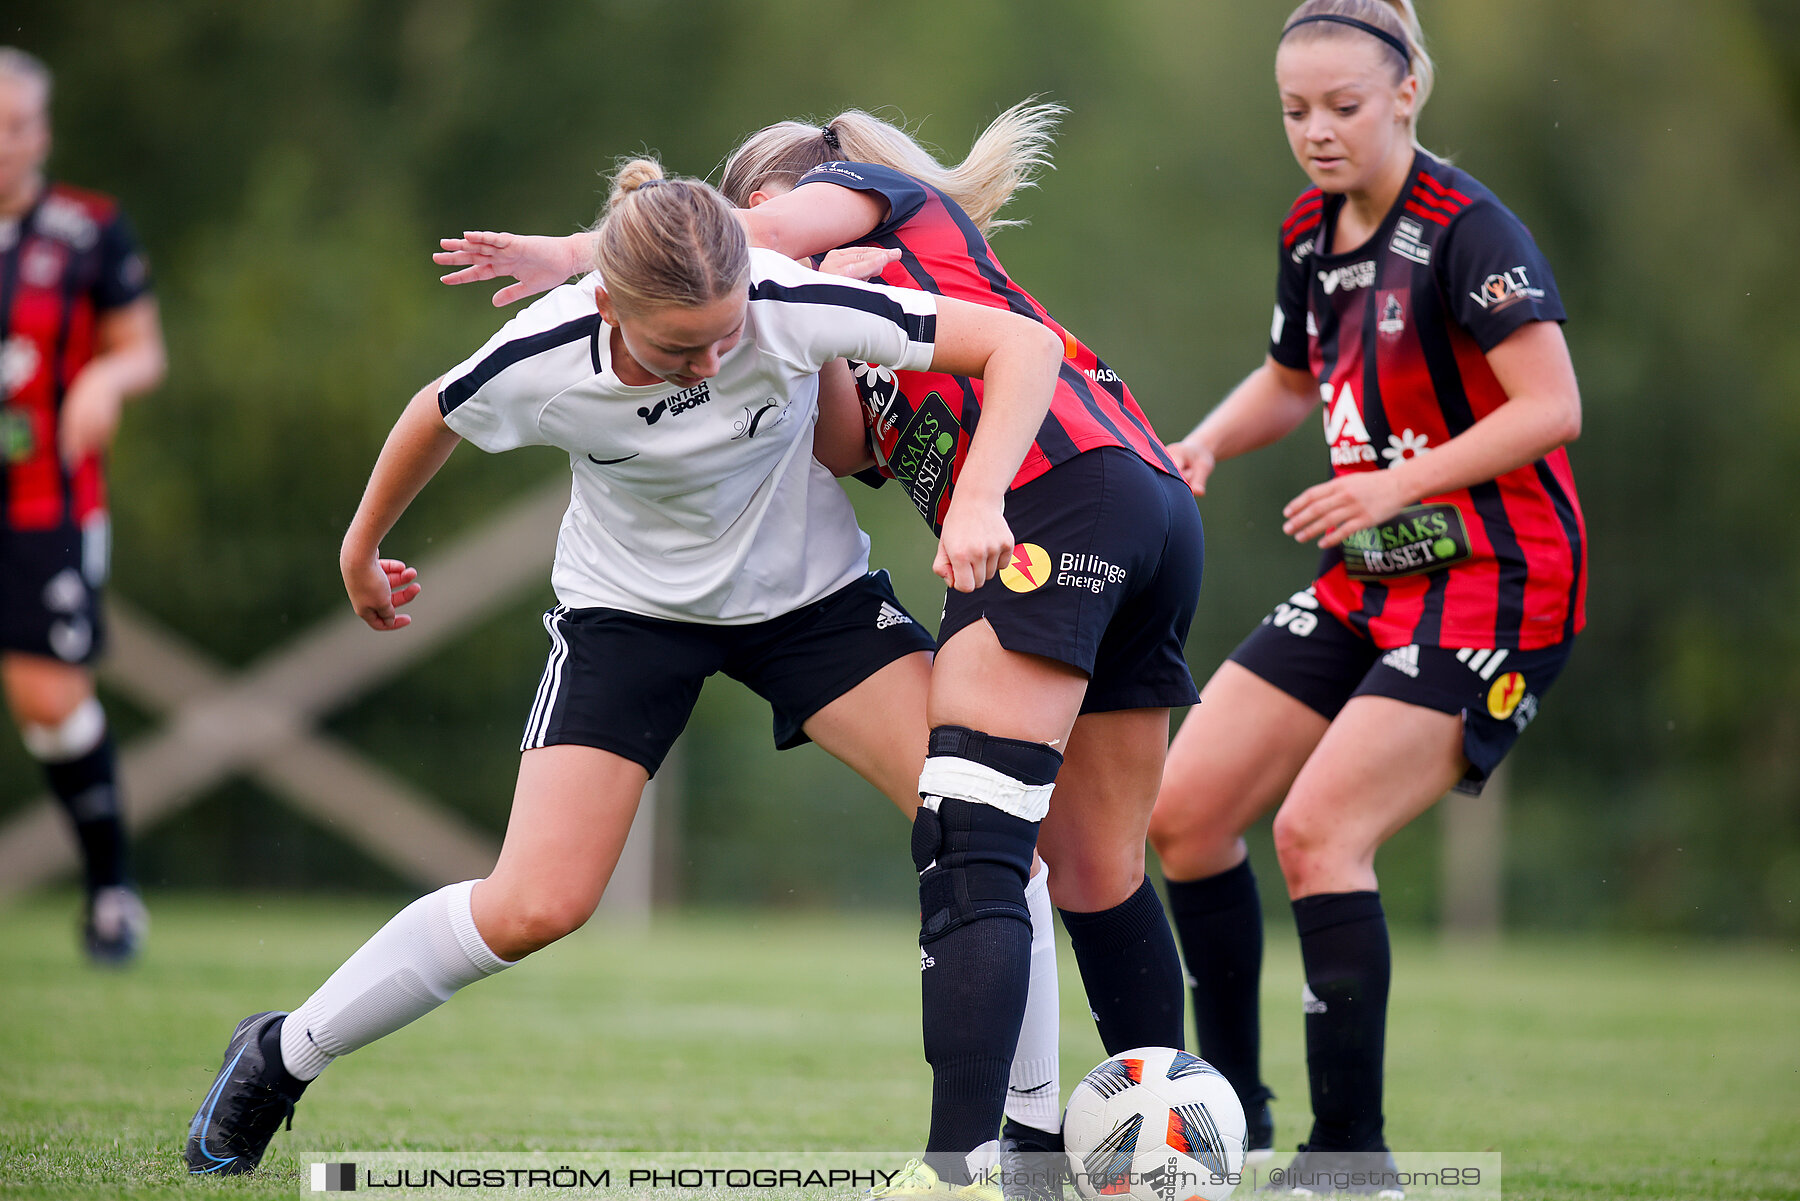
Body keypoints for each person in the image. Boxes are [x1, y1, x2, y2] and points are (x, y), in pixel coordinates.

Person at [183, 158, 1068, 1177]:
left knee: (990, 828)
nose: (712, 362)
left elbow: (1021, 344)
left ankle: (1026, 1146)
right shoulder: (546, 350)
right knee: (535, 905)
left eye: (727, 334)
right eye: (682, 345)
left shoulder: (780, 301)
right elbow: (435, 411)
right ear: (605, 303)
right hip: (629, 617)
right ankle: (279, 1054)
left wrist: (980, 499)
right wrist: (358, 548)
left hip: (811, 604)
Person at [438, 102, 1207, 1197]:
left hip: (1057, 499)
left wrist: (583, 256)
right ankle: (1173, 1150)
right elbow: (843, 441)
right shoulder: (851, 305)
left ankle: (967, 1169)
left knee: (972, 840)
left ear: (778, 202)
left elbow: (728, 246)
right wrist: (825, 328)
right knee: (1093, 866)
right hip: (1146, 507)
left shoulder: (871, 191)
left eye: (741, 218)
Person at [1143, 1, 1586, 1192]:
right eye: (1296, 109)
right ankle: (1227, 1117)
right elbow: (1292, 378)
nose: (1318, 132)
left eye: (1344, 106)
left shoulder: (1470, 232)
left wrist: (1393, 483)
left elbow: (1550, 408)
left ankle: (1352, 1158)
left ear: (1408, 92)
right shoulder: (1311, 229)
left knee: (1318, 831)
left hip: (1499, 583)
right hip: (1372, 578)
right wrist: (1203, 446)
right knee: (1184, 812)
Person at [0, 47, 165, 964]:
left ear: (41, 131)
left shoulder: (88, 229)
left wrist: (105, 377)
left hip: (46, 500)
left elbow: (143, 348)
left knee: (50, 698)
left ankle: (110, 889)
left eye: (15, 127)